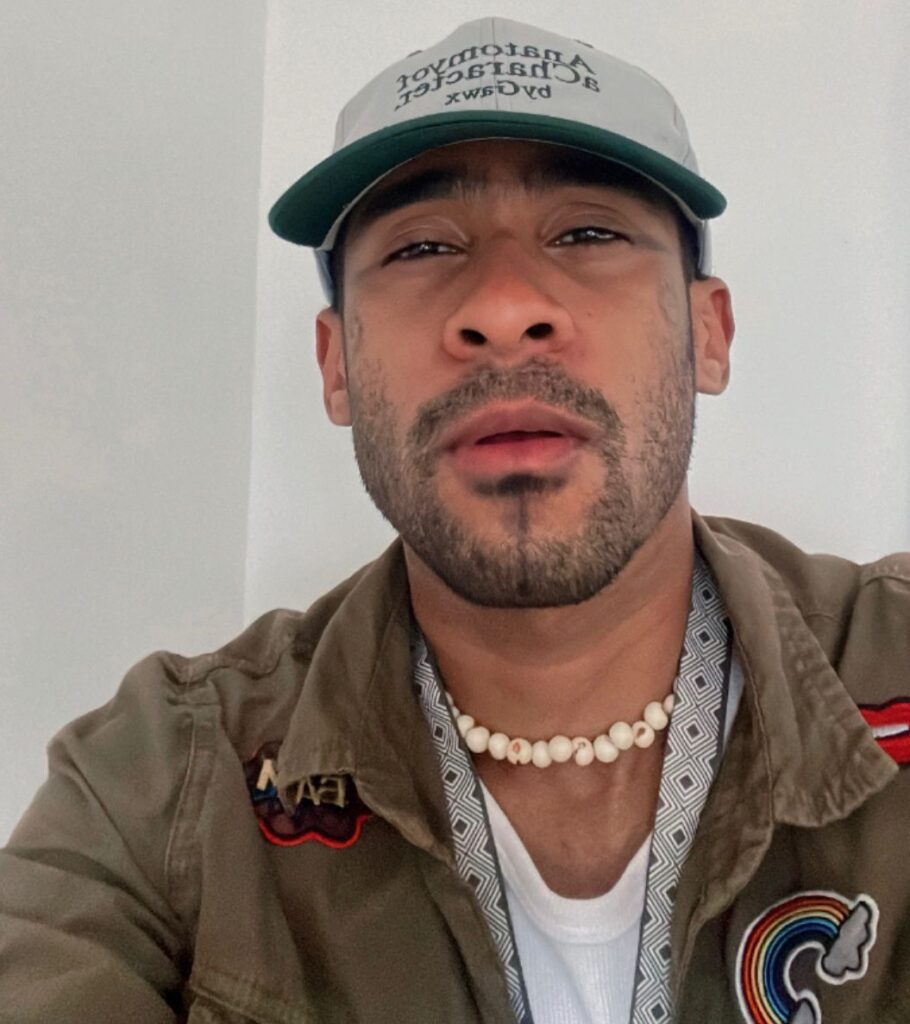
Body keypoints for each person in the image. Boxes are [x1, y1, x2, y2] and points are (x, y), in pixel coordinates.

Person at [1, 15, 908, 1024]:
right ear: (336, 366)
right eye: (422, 245)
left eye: (588, 233)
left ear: (709, 334)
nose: (505, 306)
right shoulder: (161, 783)